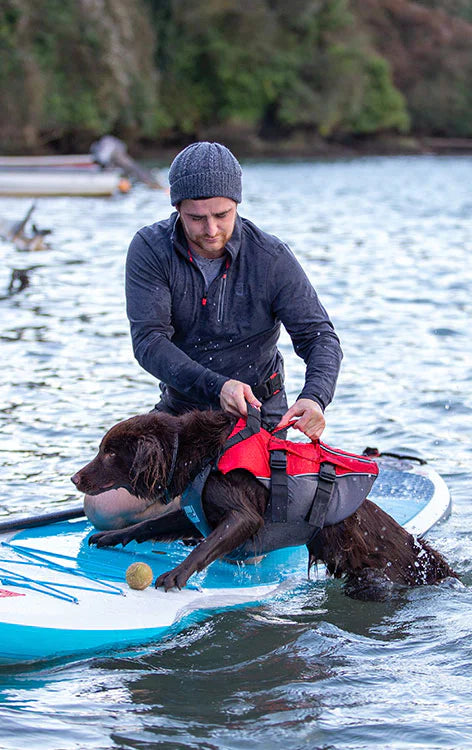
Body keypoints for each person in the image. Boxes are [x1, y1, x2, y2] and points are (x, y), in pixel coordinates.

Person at [84, 141, 342, 529]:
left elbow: (320, 338)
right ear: (177, 210)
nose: (211, 230)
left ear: (237, 204)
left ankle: (209, 503)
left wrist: (315, 397)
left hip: (257, 416)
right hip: (180, 417)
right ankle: (195, 503)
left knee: (251, 530)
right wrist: (216, 386)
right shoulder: (149, 249)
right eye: (196, 218)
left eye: (222, 215)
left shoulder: (271, 258)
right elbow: (148, 343)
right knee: (100, 510)